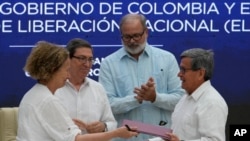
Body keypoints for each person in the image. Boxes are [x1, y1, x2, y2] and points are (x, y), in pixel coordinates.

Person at [17, 41, 138, 141]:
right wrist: (116, 133)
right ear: (53, 70)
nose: (67, 75)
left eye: (90, 59)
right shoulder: (48, 100)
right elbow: (75, 139)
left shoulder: (33, 94)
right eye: (66, 69)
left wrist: (104, 127)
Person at [98, 13, 185, 141]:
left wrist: (155, 97)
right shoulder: (109, 64)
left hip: (160, 137)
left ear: (146, 32)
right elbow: (106, 106)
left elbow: (181, 100)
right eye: (127, 37)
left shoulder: (167, 59)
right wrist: (136, 99)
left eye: (136, 36)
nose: (132, 41)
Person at [150, 48, 228, 141]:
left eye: (183, 70)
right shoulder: (185, 98)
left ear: (200, 73)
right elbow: (174, 136)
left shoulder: (212, 102)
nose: (179, 74)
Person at [55, 38, 117, 134]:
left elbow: (112, 123)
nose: (87, 64)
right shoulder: (55, 88)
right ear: (68, 59)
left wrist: (103, 126)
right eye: (82, 59)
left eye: (90, 59)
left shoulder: (98, 88)